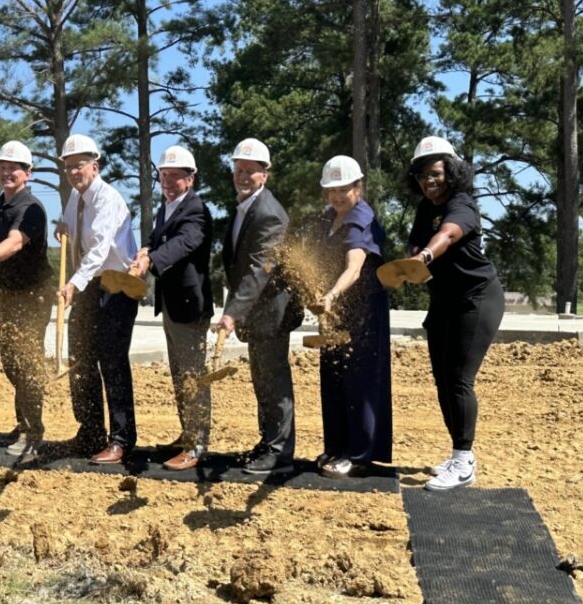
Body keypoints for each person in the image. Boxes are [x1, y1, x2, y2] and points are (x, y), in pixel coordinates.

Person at [405, 137, 504, 491]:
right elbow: (417, 241)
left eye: (435, 173)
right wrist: (412, 257)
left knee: (459, 379)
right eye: (422, 176)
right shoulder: (424, 209)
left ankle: (464, 461)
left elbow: (447, 235)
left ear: (452, 172)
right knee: (443, 379)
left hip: (476, 299)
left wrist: (425, 257)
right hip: (444, 301)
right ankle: (458, 455)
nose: (428, 182)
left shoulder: (463, 204)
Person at [213, 138, 303, 474]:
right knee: (262, 381)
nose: (243, 175)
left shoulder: (268, 214)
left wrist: (232, 312)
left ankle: (280, 452)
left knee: (273, 381)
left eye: (250, 171)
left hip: (271, 315)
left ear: (264, 175)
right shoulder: (245, 207)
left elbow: (258, 269)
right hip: (258, 314)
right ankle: (268, 442)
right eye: (239, 170)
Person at [55, 134, 139, 465]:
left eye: (79, 166)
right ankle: (89, 431)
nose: (74, 172)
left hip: (118, 285)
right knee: (80, 357)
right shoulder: (75, 199)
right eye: (68, 167)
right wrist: (63, 227)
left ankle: (121, 439)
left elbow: (99, 249)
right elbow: (73, 230)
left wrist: (73, 283)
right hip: (92, 285)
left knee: (112, 361)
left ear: (95, 165)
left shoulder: (108, 199)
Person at [130, 146, 213, 471]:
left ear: (190, 179)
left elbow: (184, 243)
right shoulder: (169, 208)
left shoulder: (195, 210)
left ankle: (197, 444)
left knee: (194, 377)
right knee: (180, 376)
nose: (167, 182)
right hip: (172, 306)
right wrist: (144, 249)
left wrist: (151, 259)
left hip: (190, 309)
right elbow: (157, 237)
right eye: (164, 176)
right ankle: (187, 434)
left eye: (175, 177)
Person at [309, 155, 392, 478]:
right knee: (333, 379)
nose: (336, 196)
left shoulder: (361, 219)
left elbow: (354, 268)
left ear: (358, 187)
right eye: (331, 190)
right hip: (334, 313)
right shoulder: (329, 216)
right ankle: (335, 446)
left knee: (359, 380)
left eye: (343, 189)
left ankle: (358, 454)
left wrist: (330, 295)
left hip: (361, 313)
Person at [0, 141, 54, 457]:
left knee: (27, 362)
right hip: (9, 294)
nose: (8, 172)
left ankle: (33, 432)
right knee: (12, 362)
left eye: (15, 168)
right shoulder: (2, 203)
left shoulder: (31, 208)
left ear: (28, 173)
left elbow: (14, 243)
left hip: (32, 295)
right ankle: (22, 421)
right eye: (3, 167)